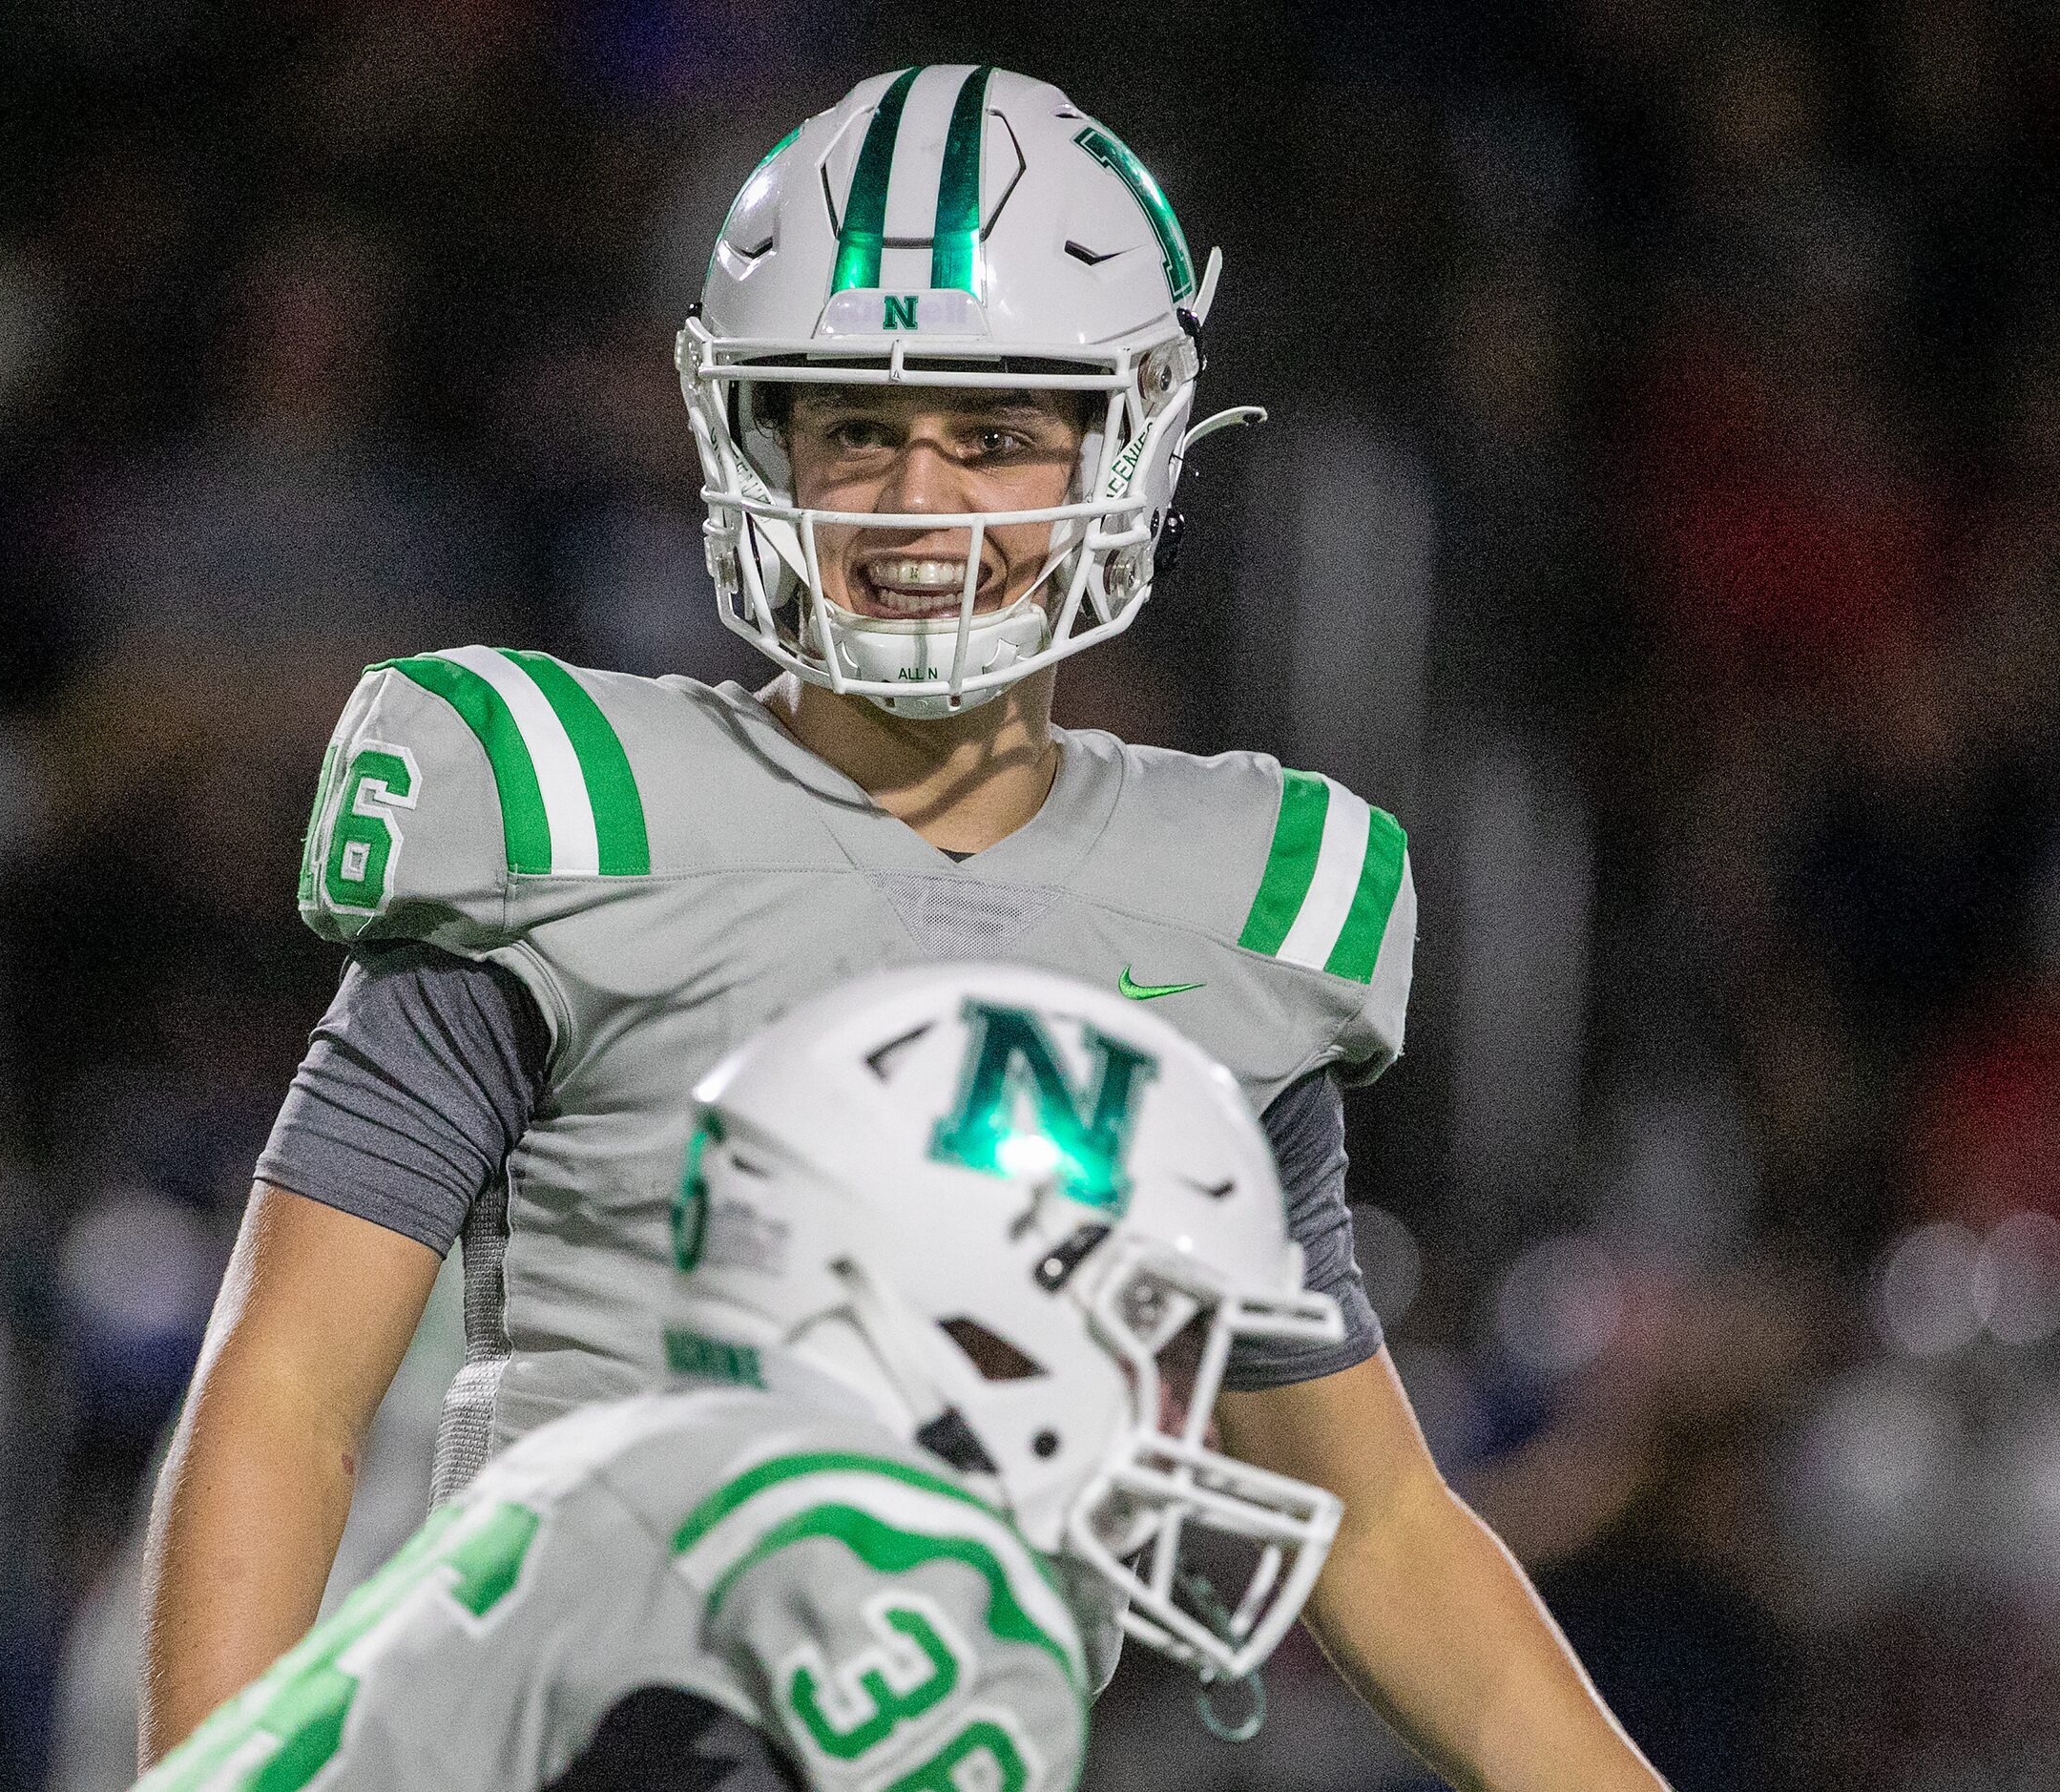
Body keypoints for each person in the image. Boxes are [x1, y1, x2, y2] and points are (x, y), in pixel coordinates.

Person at [144, 65, 1666, 1789]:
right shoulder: (564, 811)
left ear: (1127, 442)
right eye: (856, 427)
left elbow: (1372, 1523)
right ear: (756, 436)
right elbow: (285, 1391)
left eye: (995, 434)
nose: (915, 499)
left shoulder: (1229, 907)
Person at [137, 966, 1352, 1792]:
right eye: (1158, 1333)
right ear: (966, 1307)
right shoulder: (897, 1568)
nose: (1188, 1410)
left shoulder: (637, 1465)